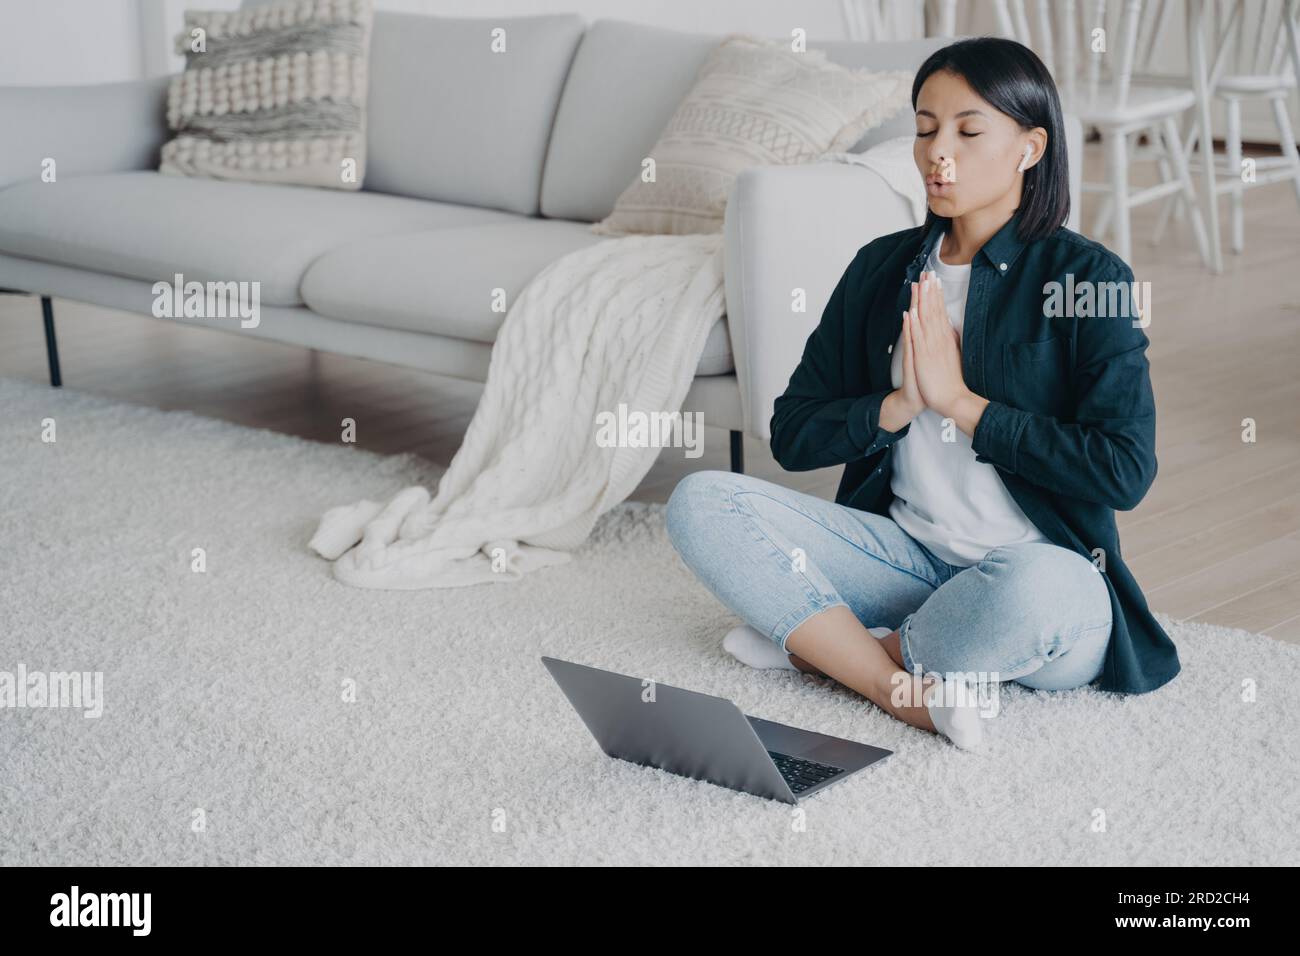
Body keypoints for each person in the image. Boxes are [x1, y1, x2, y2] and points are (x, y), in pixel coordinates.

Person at [664, 37, 1179, 752]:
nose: (940, 151)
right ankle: (895, 689)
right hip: (903, 562)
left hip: (1037, 578)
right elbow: (793, 433)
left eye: (969, 132)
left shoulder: (1090, 279)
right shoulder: (881, 268)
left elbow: (1123, 470)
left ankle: (831, 652)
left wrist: (963, 405)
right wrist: (895, 408)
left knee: (1040, 586)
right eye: (926, 127)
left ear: (1030, 148)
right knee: (702, 503)